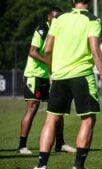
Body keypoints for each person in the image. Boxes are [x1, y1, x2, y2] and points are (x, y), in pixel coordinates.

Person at [33, 0, 102, 168]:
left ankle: (41, 165)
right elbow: (95, 50)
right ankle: (78, 166)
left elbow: (47, 49)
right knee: (88, 119)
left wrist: (52, 72)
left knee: (51, 119)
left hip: (59, 75)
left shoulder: (59, 19)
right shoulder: (92, 20)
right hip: (82, 75)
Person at [18, 6, 75, 154]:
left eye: (59, 18)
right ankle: (22, 146)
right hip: (34, 74)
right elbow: (32, 52)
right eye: (55, 17)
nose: (57, 20)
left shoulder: (60, 32)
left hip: (52, 76)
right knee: (33, 108)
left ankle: (60, 144)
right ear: (49, 18)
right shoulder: (42, 30)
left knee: (58, 110)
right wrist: (49, 62)